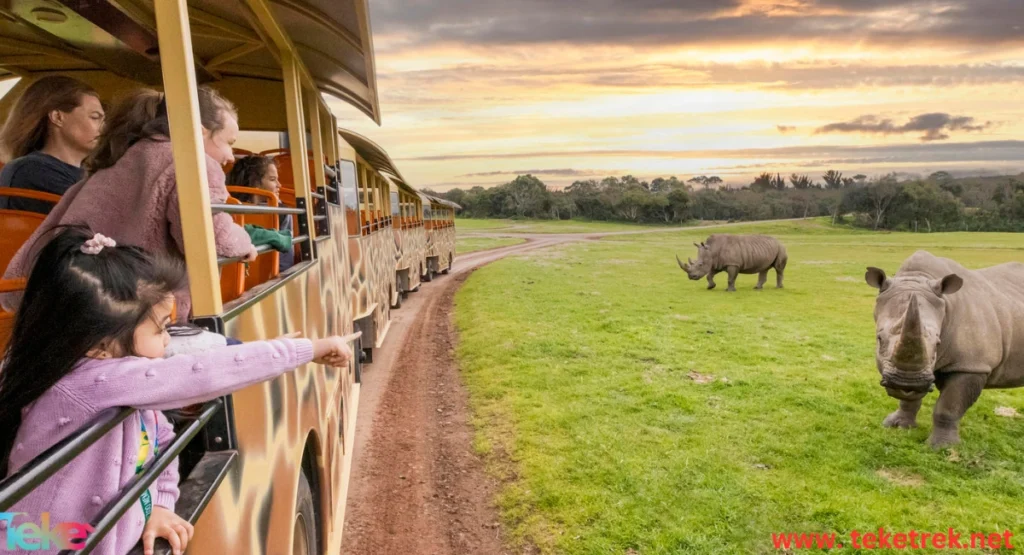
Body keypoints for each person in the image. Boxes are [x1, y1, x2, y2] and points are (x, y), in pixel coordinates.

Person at [0, 226, 353, 555]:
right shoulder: (93, 381)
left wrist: (158, 508)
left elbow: (160, 446)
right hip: (38, 542)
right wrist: (308, 349)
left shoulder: (119, 383)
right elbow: (199, 372)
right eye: (162, 330)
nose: (169, 341)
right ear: (101, 344)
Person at [1, 87, 258, 319]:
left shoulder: (116, 163)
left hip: (79, 300)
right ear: (200, 132)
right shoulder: (193, 163)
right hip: (137, 312)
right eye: (228, 143)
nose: (230, 156)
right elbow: (213, 238)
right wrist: (245, 242)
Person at [0, 76, 104, 214]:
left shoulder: (80, 173)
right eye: (95, 117)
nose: (103, 128)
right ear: (57, 117)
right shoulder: (32, 171)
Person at [226, 155, 294, 272]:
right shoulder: (281, 211)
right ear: (255, 183)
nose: (279, 185)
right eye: (273, 179)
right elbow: (285, 262)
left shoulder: (224, 206)